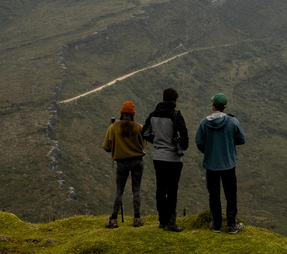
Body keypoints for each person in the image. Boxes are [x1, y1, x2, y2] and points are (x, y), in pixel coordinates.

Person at [195, 92, 246, 234]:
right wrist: (229, 144)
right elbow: (241, 139)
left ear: (213, 106)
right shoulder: (232, 121)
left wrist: (209, 151)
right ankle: (231, 225)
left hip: (211, 165)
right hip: (228, 164)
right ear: (225, 106)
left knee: (214, 195)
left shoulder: (204, 122)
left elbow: (199, 142)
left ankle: (216, 224)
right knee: (231, 194)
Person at [141, 87, 189, 232]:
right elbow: (185, 140)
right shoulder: (176, 115)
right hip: (173, 159)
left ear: (162, 99)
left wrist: (156, 141)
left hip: (158, 157)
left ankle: (162, 220)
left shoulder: (153, 115)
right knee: (172, 190)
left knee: (160, 189)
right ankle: (171, 223)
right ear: (175, 101)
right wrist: (176, 144)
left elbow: (144, 133)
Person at [102, 100, 147, 228]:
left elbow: (106, 147)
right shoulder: (139, 127)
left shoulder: (113, 127)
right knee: (136, 190)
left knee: (119, 191)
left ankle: (113, 219)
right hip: (137, 162)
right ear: (133, 114)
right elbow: (144, 144)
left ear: (122, 114)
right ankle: (137, 218)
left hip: (122, 164)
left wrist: (117, 146)